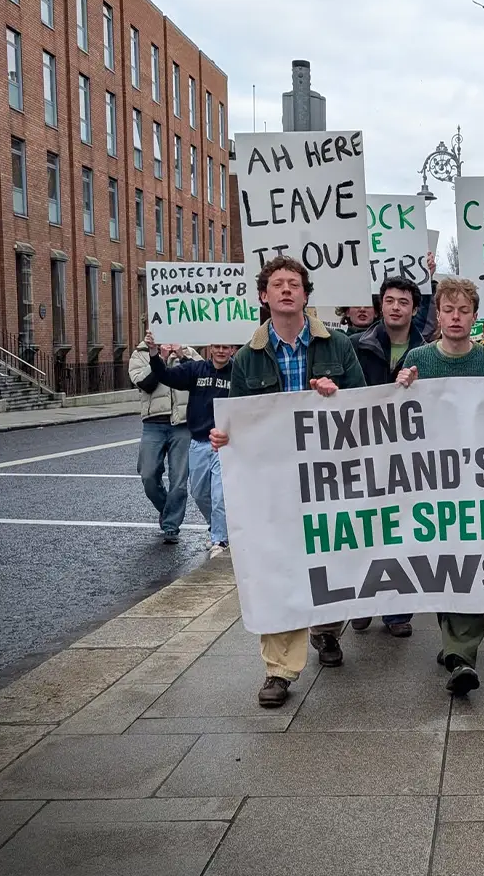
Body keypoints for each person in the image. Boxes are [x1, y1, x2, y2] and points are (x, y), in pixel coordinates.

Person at [209, 256, 367, 709]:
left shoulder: (338, 346)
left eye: (293, 284)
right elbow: (238, 419)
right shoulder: (247, 358)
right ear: (264, 296)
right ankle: (278, 670)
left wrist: (337, 398)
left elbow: (364, 407)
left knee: (332, 556)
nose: (285, 291)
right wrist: (224, 436)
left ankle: (325, 628)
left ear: (304, 294)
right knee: (278, 564)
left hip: (329, 475)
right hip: (276, 481)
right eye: (276, 284)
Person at [396, 277, 484, 696]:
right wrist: (401, 389)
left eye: (464, 310)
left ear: (474, 315)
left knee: (471, 563)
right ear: (438, 315)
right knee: (441, 564)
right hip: (431, 485)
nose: (455, 317)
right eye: (448, 310)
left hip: (478, 485)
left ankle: (461, 655)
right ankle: (453, 640)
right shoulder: (418, 360)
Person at [347, 273, 434, 638]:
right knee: (366, 529)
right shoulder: (354, 345)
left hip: (410, 456)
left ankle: (398, 611)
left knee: (404, 530)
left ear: (415, 310)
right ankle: (364, 601)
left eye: (404, 302)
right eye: (390, 301)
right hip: (365, 451)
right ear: (380, 305)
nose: (396, 307)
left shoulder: (429, 350)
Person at [144, 334, 236, 559]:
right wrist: (155, 353)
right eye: (217, 346)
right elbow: (165, 375)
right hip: (198, 442)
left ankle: (220, 540)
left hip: (224, 444)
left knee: (219, 495)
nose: (221, 351)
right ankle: (217, 528)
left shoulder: (238, 373)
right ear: (210, 348)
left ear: (232, 349)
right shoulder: (196, 370)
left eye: (225, 346)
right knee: (200, 492)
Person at [128, 338, 199, 544]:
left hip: (183, 424)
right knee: (148, 475)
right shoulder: (139, 354)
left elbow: (201, 378)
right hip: (153, 424)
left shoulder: (189, 352)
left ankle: (171, 526)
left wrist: (182, 356)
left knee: (179, 481)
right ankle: (168, 510)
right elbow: (146, 384)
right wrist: (158, 359)